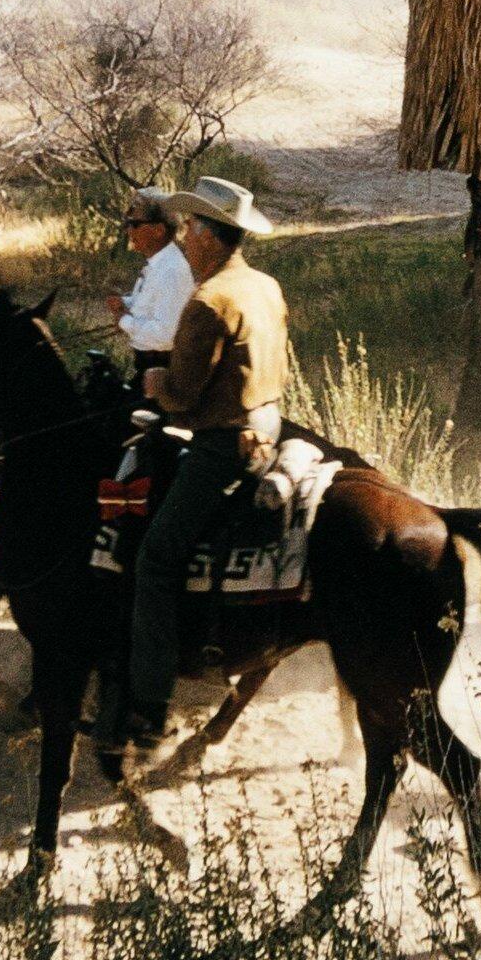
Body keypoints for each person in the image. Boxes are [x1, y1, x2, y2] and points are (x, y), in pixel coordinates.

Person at [117, 176, 289, 759]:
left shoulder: (208, 301)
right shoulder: (263, 286)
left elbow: (185, 395)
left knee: (156, 559)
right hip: (268, 429)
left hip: (222, 446)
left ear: (211, 237)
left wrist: (155, 381)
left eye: (190, 228)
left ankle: (148, 707)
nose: (183, 238)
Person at [114, 187, 195, 379]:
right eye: (128, 223)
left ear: (158, 230)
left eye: (135, 224)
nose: (129, 230)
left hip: (162, 371)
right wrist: (124, 303)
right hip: (147, 367)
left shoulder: (172, 270)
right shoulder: (157, 264)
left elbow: (164, 335)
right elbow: (150, 306)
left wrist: (124, 320)